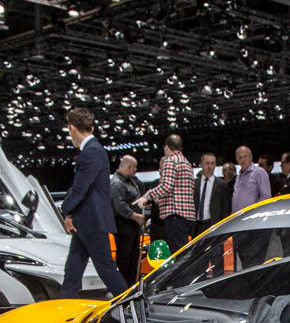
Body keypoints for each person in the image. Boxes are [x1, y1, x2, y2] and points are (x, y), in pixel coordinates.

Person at [59, 107, 128, 298]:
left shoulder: (91, 152)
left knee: (106, 269)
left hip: (92, 222)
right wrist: (70, 215)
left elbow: (79, 189)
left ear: (72, 128)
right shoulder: (93, 150)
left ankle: (129, 305)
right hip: (85, 221)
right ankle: (65, 307)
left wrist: (64, 210)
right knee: (72, 271)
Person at [134, 134, 194, 253]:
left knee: (178, 253)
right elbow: (176, 190)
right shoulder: (186, 163)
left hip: (175, 214)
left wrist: (147, 196)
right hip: (186, 215)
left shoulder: (170, 161)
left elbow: (166, 186)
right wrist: (155, 200)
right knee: (182, 251)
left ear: (166, 147)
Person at [109, 154, 145, 285]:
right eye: (135, 167)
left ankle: (132, 285)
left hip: (132, 225)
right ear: (129, 167)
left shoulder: (128, 181)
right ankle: (124, 287)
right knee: (125, 258)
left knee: (133, 257)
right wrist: (135, 216)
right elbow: (119, 206)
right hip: (124, 226)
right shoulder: (116, 183)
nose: (136, 170)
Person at [193, 152, 230, 236]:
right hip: (196, 226)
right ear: (201, 164)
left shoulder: (222, 184)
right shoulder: (195, 183)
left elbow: (225, 209)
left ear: (215, 165)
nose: (209, 166)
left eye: (212, 163)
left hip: (213, 225)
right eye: (207, 163)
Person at [231, 145, 271, 213]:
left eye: (245, 156)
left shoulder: (259, 172)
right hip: (238, 216)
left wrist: (253, 213)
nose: (242, 160)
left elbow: (266, 197)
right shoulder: (239, 176)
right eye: (240, 157)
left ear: (251, 157)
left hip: (252, 216)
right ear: (236, 159)